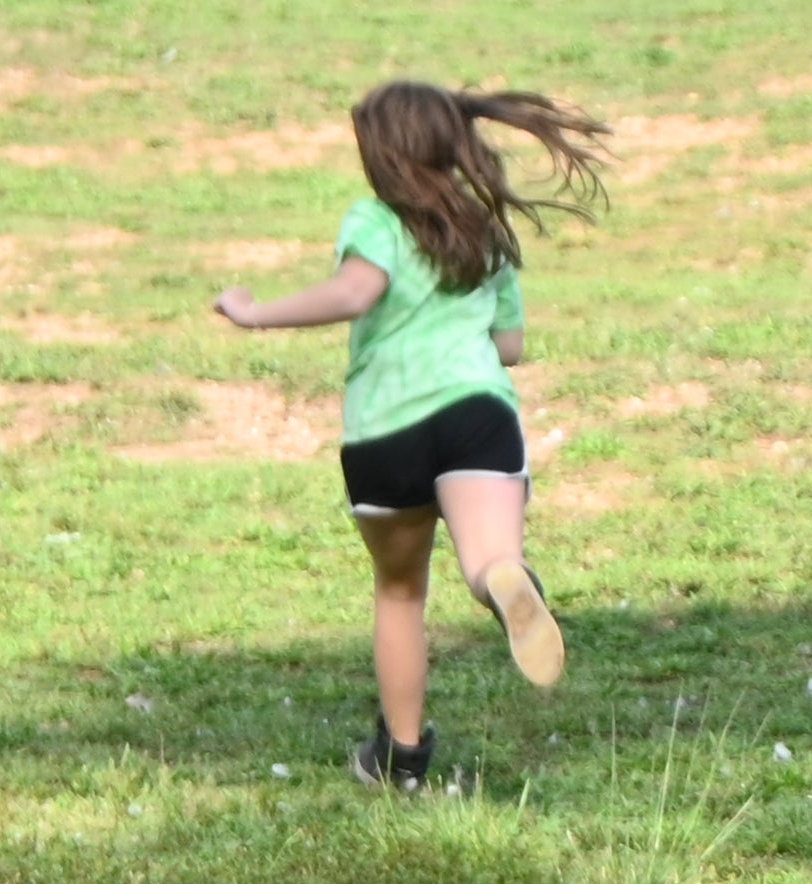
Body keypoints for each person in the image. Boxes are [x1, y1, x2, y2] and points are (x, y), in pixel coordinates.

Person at [214, 82, 613, 794]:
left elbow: (353, 293)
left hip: (386, 430)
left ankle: (400, 761)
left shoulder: (374, 219)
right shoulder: (484, 230)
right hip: (474, 413)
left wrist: (255, 314)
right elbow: (510, 344)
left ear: (385, 157)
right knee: (489, 559)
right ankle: (502, 581)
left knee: (400, 592)